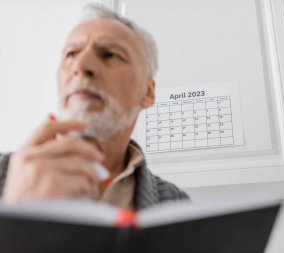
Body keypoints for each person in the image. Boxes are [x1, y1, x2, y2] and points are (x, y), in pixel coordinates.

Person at [0, 3, 189, 210]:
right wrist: (13, 214)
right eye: (71, 54)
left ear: (148, 92)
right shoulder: (4, 173)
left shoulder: (176, 204)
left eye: (109, 54)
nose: (80, 67)